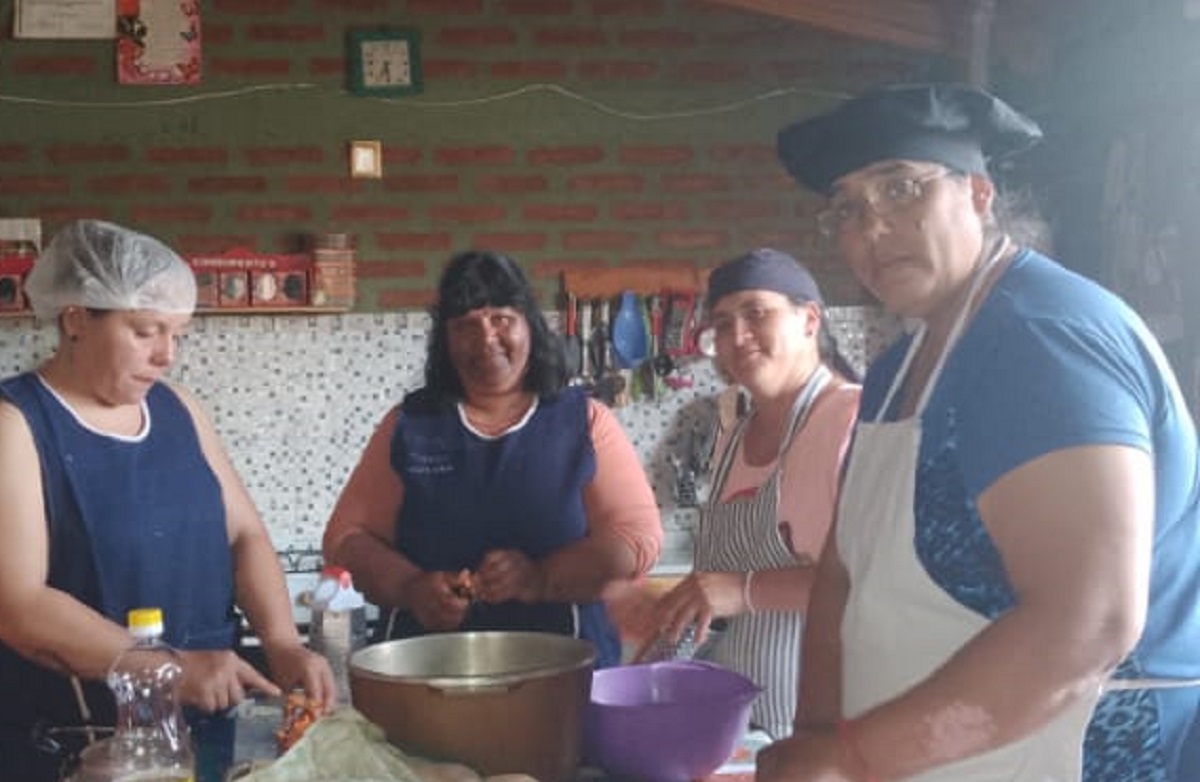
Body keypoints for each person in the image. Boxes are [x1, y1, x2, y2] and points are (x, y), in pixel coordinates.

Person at [758, 83, 1200, 781]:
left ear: (979, 194)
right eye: (847, 208)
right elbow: (844, 575)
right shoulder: (897, 371)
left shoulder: (1041, 341)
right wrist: (814, 731)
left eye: (901, 188)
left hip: (1087, 756)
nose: (870, 228)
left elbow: (1087, 623)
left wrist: (850, 756)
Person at [0, 220, 336, 782]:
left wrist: (281, 642)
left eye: (176, 334)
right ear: (76, 317)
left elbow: (245, 535)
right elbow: (20, 605)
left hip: (199, 736)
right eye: (146, 331)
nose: (166, 355)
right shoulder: (18, 423)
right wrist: (167, 671)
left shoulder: (178, 410)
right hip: (75, 750)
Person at [322, 249, 662, 668]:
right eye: (466, 326)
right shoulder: (409, 425)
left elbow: (637, 538)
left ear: (529, 327)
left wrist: (542, 579)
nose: (486, 339)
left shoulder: (586, 422)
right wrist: (411, 587)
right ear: (445, 342)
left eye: (501, 319)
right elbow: (345, 539)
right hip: (426, 677)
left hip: (566, 679)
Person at [632, 248, 861, 739]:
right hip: (743, 723)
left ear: (809, 319)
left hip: (824, 727)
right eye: (722, 322)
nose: (737, 336)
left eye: (757, 313)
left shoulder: (847, 420)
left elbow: (876, 582)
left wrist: (744, 590)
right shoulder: (736, 429)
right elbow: (721, 583)